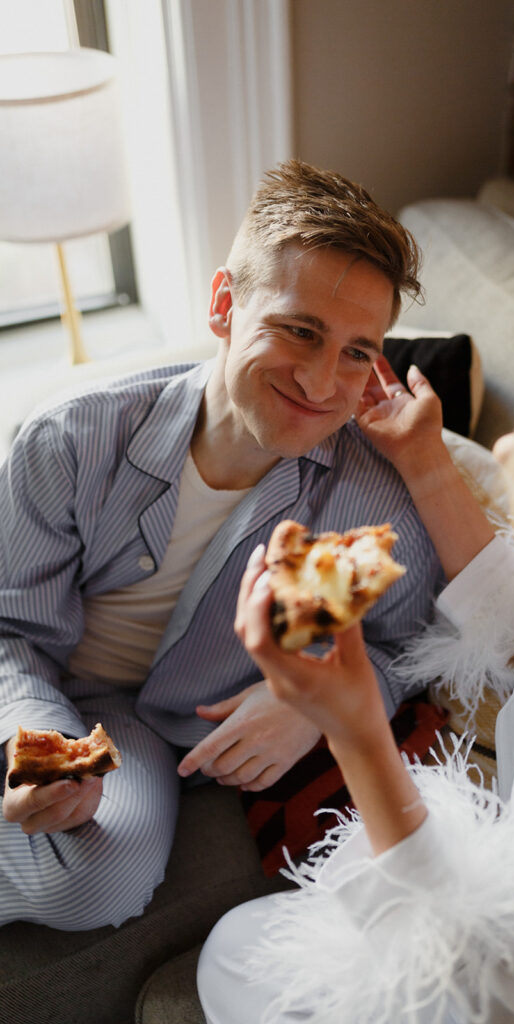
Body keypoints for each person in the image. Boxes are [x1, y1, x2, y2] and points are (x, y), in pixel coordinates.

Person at [0, 161, 474, 931]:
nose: (323, 382)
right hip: (44, 689)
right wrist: (37, 746)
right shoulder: (70, 438)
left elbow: (405, 649)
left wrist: (308, 705)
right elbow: (12, 629)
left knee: (95, 885)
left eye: (357, 351)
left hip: (151, 730)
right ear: (224, 305)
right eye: (299, 331)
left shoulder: (378, 497)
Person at [197, 296, 514, 1023]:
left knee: (236, 953)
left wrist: (356, 731)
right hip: (509, 909)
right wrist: (422, 457)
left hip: (499, 989)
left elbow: (475, 986)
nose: (506, 451)